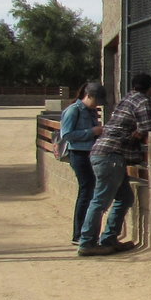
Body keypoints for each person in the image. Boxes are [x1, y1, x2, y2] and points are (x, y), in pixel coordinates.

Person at [78, 73, 151, 257]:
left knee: (125, 198)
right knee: (100, 201)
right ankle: (87, 242)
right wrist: (140, 131)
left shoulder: (126, 99)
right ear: (150, 87)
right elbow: (149, 127)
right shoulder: (143, 101)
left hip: (103, 153)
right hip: (111, 157)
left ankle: (109, 239)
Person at [59, 82, 107, 244]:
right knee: (86, 191)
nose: (97, 105)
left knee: (90, 191)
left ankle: (85, 232)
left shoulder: (91, 111)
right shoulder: (74, 110)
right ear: (88, 96)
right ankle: (78, 233)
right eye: (96, 100)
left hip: (90, 153)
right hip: (78, 154)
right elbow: (66, 134)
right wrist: (91, 132)